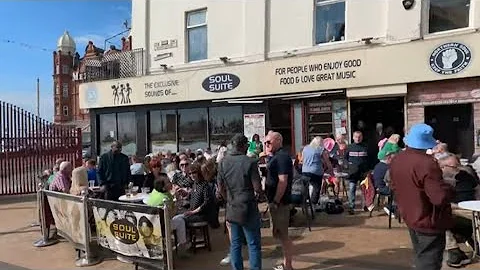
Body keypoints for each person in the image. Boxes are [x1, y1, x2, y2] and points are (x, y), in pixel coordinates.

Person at [390, 123, 455, 270]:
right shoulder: (426, 163)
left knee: (421, 255)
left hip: (410, 214)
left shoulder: (398, 159)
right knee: (429, 261)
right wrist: (450, 188)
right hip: (428, 218)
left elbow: (394, 185)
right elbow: (439, 198)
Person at [217, 134, 263, 270]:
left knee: (235, 244)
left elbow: (220, 188)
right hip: (248, 205)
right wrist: (260, 195)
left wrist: (229, 199)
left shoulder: (222, 162)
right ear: (244, 146)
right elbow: (257, 188)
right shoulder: (250, 162)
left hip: (232, 206)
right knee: (253, 244)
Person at [264, 132, 294, 270]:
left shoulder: (281, 157)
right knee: (280, 234)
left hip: (280, 203)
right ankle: (286, 264)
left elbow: (283, 181)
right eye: (265, 143)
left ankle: (288, 265)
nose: (266, 145)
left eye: (268, 142)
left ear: (278, 141)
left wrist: (276, 201)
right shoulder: (276, 156)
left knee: (283, 235)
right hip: (277, 202)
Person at [146, 174, 190, 256]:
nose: (171, 183)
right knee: (180, 221)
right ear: (163, 188)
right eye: (168, 182)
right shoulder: (166, 198)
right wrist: (177, 201)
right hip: (162, 226)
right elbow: (171, 215)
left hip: (150, 224)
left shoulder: (154, 192)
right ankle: (182, 248)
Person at [302, 136, 333, 207]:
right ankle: (313, 204)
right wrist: (331, 172)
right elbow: (328, 162)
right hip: (316, 171)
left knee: (306, 187)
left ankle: (305, 201)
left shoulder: (305, 148)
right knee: (316, 188)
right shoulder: (320, 149)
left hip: (305, 171)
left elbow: (303, 159)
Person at [344, 131, 368, 215]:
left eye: (359, 137)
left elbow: (370, 159)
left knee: (364, 189)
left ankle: (365, 205)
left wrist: (369, 169)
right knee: (351, 189)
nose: (358, 138)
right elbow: (345, 159)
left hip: (363, 172)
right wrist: (348, 166)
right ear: (353, 137)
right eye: (356, 137)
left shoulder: (365, 147)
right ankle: (351, 207)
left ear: (362, 137)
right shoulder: (349, 147)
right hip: (353, 173)